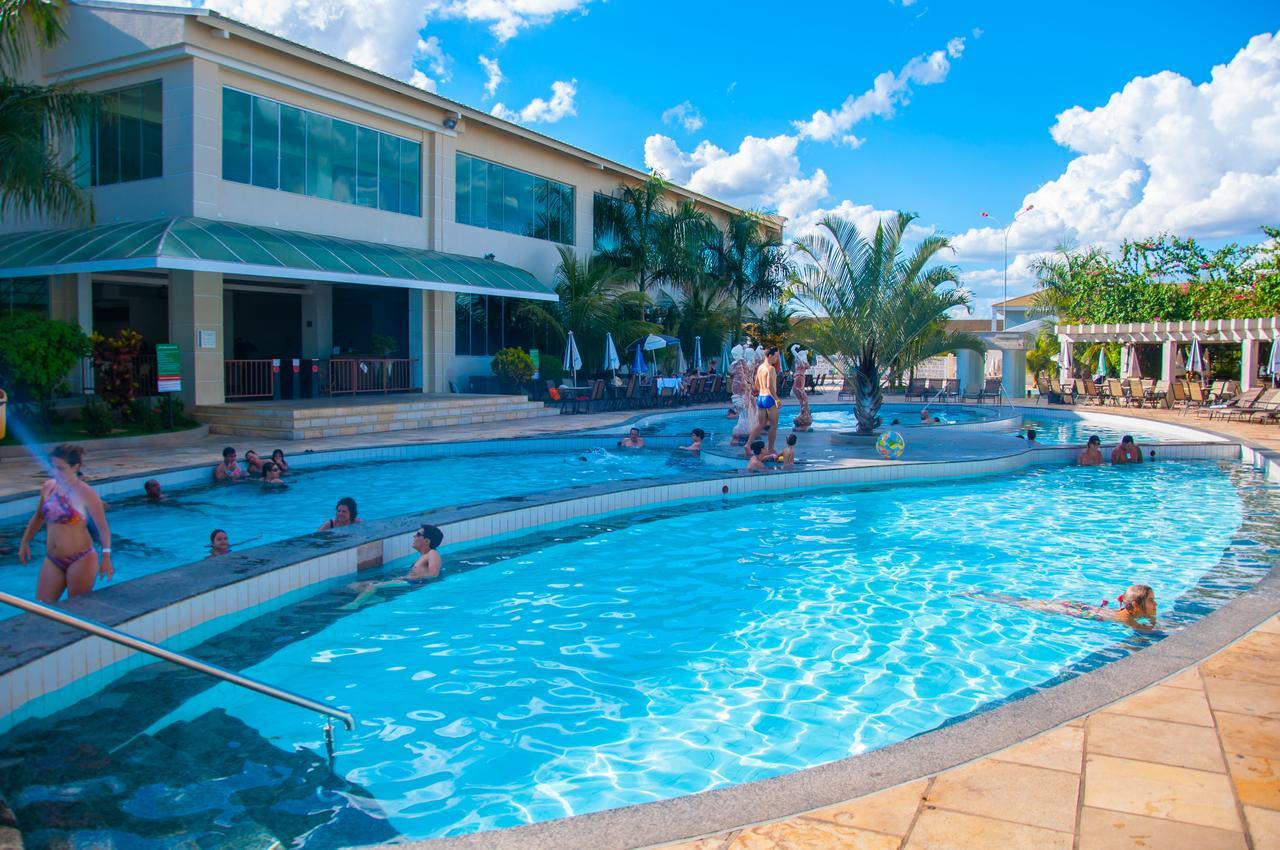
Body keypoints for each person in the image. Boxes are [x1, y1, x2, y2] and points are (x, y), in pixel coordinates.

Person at [18, 444, 114, 603]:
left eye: (61, 468)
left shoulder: (86, 493)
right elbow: (38, 517)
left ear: (75, 467)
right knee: (41, 608)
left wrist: (106, 557)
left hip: (81, 558)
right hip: (53, 558)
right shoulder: (48, 487)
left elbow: (103, 527)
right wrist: (25, 542)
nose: (56, 472)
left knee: (75, 608)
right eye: (53, 467)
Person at [966, 584, 1157, 631]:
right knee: (1024, 605)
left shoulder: (1126, 614)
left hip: (1077, 606)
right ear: (1135, 606)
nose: (1155, 604)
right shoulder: (1127, 619)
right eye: (1150, 600)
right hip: (1069, 610)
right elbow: (1148, 632)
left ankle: (983, 593)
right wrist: (1152, 621)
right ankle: (976, 597)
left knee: (1027, 601)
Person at [345, 524, 445, 608]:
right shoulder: (423, 557)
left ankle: (354, 605)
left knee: (372, 586)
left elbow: (433, 574)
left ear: (427, 541)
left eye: (418, 534)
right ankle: (377, 599)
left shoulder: (432, 553)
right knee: (355, 585)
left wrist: (408, 578)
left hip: (414, 583)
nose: (414, 536)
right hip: (408, 580)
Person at [745, 347, 782, 457]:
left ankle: (747, 444)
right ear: (770, 356)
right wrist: (777, 400)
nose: (777, 359)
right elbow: (770, 387)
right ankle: (770, 449)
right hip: (769, 398)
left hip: (761, 398)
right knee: (774, 425)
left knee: (761, 424)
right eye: (776, 356)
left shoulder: (760, 367)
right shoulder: (770, 369)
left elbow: (756, 384)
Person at [790, 345, 813, 432]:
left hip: (799, 377)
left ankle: (804, 409)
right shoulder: (804, 362)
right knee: (800, 393)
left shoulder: (800, 360)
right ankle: (804, 410)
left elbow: (793, 351)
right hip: (800, 376)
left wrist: (794, 347)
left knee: (799, 391)